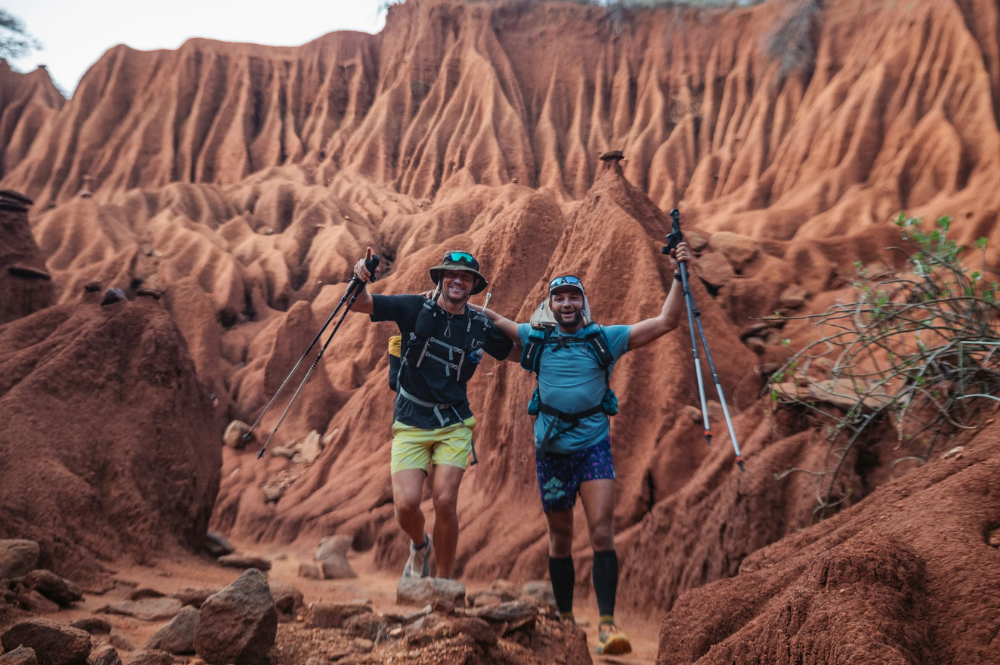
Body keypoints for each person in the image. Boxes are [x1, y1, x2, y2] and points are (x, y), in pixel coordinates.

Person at [479, 242, 693, 655]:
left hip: (593, 447)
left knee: (601, 531)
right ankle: (563, 621)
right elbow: (499, 322)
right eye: (559, 297)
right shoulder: (535, 338)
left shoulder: (605, 339)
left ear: (583, 303)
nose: (566, 303)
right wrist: (472, 312)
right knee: (560, 537)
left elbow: (667, 321)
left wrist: (680, 273)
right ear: (551, 305)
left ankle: (608, 626)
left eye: (573, 296)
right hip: (552, 452)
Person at [351, 248, 514, 580]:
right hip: (411, 419)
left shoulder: (478, 325)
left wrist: (555, 345)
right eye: (451, 274)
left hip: (454, 422)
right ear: (440, 278)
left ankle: (443, 581)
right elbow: (360, 303)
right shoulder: (413, 307)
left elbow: (519, 352)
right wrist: (359, 277)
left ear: (473, 286)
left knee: (444, 500)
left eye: (465, 277)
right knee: (407, 505)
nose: (457, 280)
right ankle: (419, 545)